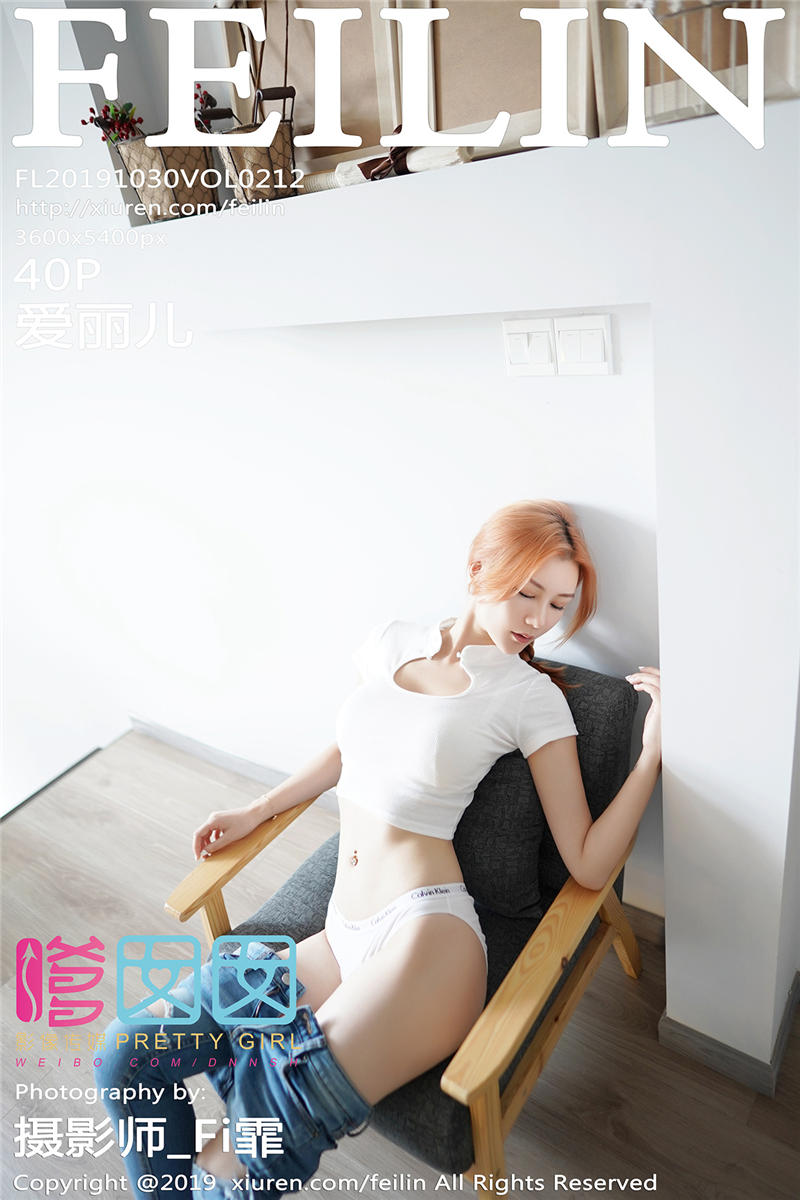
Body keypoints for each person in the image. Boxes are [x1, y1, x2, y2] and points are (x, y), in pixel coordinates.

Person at [95, 500, 661, 1198]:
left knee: (243, 1150)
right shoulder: (392, 642)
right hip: (339, 937)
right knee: (128, 1053)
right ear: (478, 569)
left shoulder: (528, 696)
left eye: (558, 605)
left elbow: (588, 862)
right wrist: (258, 808)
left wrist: (650, 755)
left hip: (426, 941)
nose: (539, 619)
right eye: (528, 592)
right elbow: (349, 748)